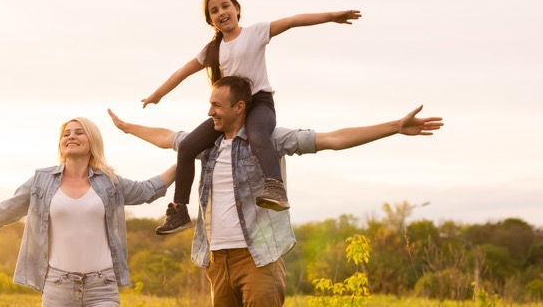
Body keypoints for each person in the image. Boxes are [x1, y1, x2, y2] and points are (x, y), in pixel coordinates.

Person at [110, 76, 444, 306]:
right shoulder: (206, 145)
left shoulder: (270, 140)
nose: (209, 111)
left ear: (239, 107)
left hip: (257, 258)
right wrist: (127, 129)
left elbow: (332, 139)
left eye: (216, 105)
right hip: (216, 258)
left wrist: (395, 127)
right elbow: (165, 137)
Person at [142, 0, 362, 235]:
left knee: (257, 135)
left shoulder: (255, 33)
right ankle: (179, 209)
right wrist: (157, 95)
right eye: (214, 11)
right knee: (187, 146)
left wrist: (332, 16)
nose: (221, 12)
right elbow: (183, 70)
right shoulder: (212, 50)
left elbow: (291, 22)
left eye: (225, 6)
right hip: (229, 110)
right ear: (210, 20)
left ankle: (275, 187)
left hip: (259, 104)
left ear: (236, 9)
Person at [0, 116, 176, 307]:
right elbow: (11, 207)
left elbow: (147, 190)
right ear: (60, 144)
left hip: (102, 286)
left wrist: (185, 158)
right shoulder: (42, 181)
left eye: (79, 132)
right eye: (66, 134)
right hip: (58, 286)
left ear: (92, 141)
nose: (71, 136)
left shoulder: (110, 183)